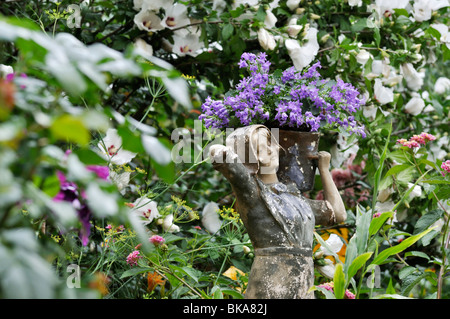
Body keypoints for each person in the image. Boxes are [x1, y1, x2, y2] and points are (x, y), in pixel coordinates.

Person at [209, 124, 346, 299]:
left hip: (303, 289)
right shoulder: (253, 193)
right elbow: (219, 153)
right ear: (250, 158)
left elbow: (338, 214)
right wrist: (238, 150)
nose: (271, 149)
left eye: (270, 142)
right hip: (270, 286)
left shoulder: (294, 197)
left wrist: (324, 170)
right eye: (260, 148)